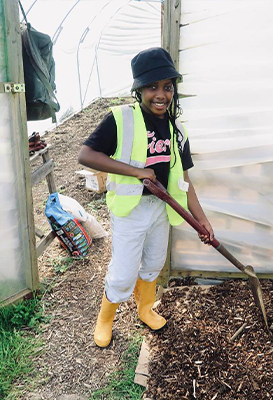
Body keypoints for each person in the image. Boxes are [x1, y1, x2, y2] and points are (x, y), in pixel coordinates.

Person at [78, 47, 214, 348]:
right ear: (138, 88)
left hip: (162, 209)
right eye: (152, 86)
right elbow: (86, 155)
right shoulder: (121, 119)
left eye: (168, 86)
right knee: (124, 273)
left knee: (153, 262)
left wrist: (202, 219)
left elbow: (185, 180)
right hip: (131, 210)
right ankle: (105, 318)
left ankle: (145, 308)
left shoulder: (177, 130)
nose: (161, 94)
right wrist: (137, 171)